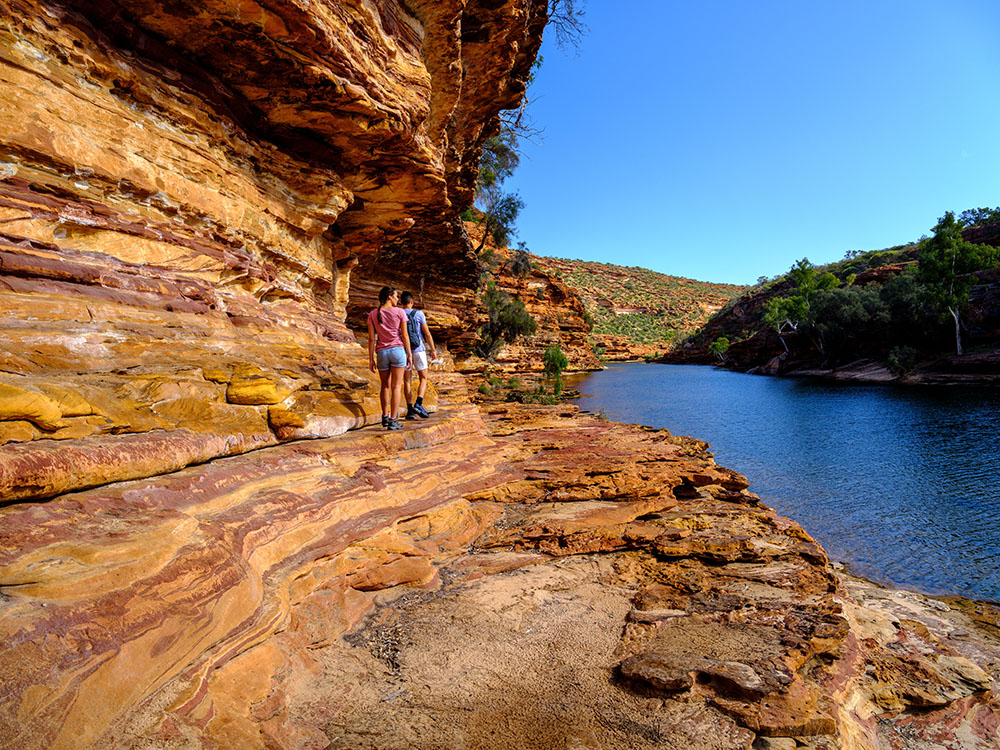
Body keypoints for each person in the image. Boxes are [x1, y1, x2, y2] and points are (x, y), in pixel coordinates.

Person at [367, 286, 412, 430]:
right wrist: (409, 354)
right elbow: (404, 336)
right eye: (396, 296)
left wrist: (370, 359)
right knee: (397, 386)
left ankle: (385, 417)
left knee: (385, 386)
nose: (398, 299)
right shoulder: (399, 312)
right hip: (398, 351)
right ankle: (393, 420)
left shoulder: (373, 314)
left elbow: (371, 339)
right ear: (389, 297)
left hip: (382, 353)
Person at [400, 291, 437, 419]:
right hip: (419, 349)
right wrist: (432, 349)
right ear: (412, 302)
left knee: (407, 380)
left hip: (404, 351)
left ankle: (410, 410)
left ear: (400, 302)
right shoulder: (418, 314)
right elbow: (426, 333)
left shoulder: (398, 314)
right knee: (423, 378)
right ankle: (418, 403)